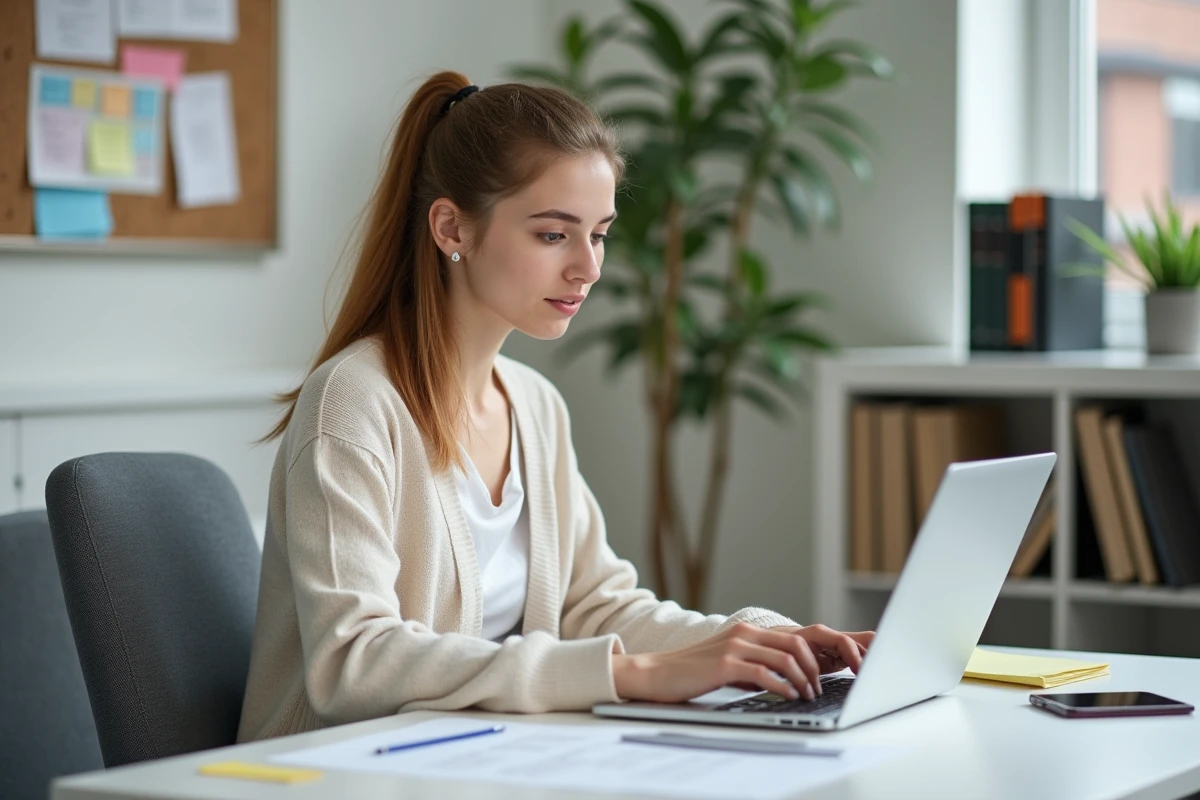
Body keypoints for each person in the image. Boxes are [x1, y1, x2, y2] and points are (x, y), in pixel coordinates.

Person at [236, 71, 874, 743]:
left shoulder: (535, 405)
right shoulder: (353, 403)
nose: (588, 268)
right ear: (452, 227)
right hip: (328, 772)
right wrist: (632, 674)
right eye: (553, 235)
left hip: (472, 759)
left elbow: (595, 605)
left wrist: (764, 641)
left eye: (598, 234)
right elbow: (353, 664)